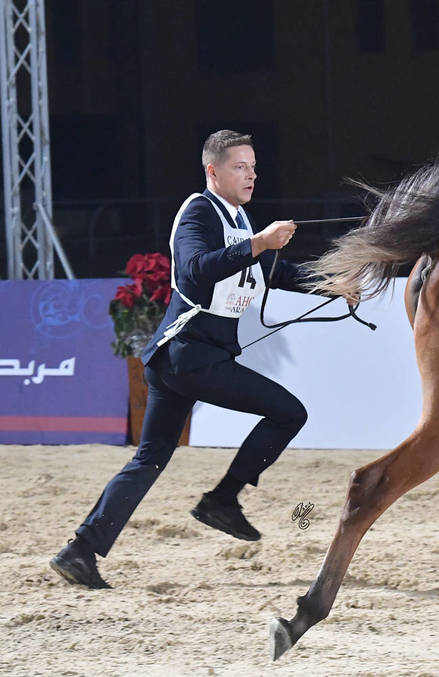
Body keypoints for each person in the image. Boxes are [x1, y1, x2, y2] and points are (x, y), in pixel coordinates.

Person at [51, 130, 318, 589]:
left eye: (253, 166)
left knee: (149, 460)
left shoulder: (238, 217)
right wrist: (259, 242)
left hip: (182, 360)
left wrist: (332, 282)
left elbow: (276, 272)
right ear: (213, 171)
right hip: (190, 356)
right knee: (288, 412)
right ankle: (222, 500)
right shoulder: (199, 211)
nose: (251, 174)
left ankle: (80, 550)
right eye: (240, 166)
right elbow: (196, 269)